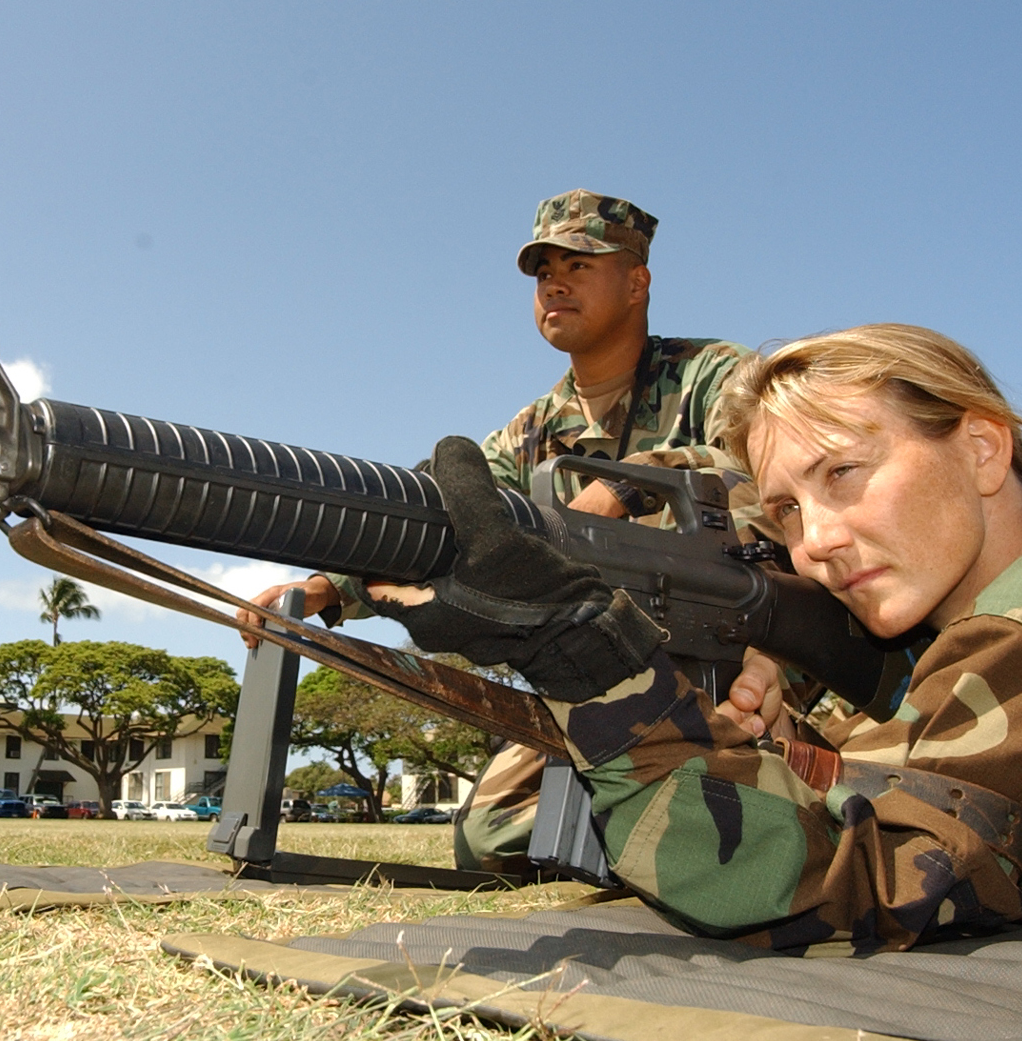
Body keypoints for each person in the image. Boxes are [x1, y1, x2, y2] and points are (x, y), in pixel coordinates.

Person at [356, 323, 1022, 951]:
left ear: (982, 449)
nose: (815, 540)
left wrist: (585, 661)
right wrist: (791, 745)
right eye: (786, 507)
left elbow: (844, 885)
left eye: (847, 474)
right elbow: (930, 786)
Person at [241, 189, 752, 874]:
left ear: (637, 281)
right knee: (489, 838)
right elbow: (443, 519)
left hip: (740, 661)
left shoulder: (714, 375)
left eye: (580, 264)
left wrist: (629, 484)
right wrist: (322, 591)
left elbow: (765, 461)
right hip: (605, 668)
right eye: (543, 273)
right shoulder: (530, 433)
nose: (555, 284)